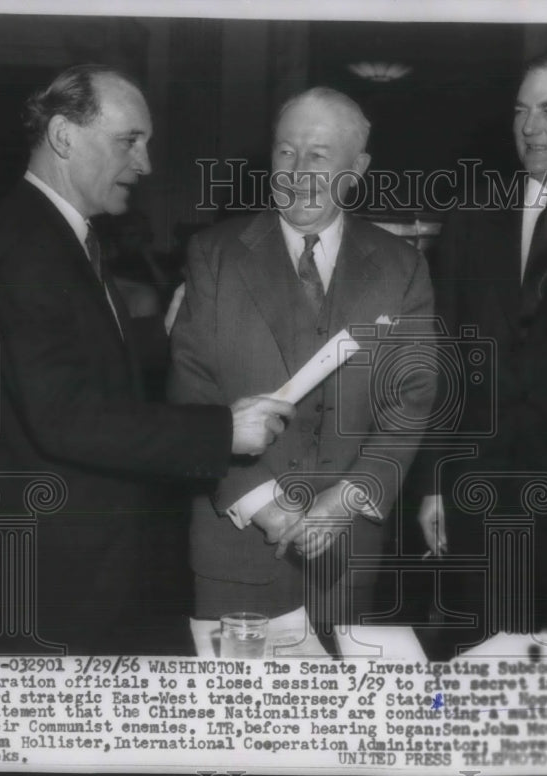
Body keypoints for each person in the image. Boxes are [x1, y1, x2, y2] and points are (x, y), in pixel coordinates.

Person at [0, 64, 295, 655]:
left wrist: (156, 336)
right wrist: (224, 429)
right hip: (55, 580)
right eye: (128, 141)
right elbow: (68, 417)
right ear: (63, 136)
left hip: (75, 563)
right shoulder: (28, 249)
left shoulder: (51, 232)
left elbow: (62, 355)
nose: (146, 164)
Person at [167, 87, 436, 628]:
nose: (298, 172)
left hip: (345, 555)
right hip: (236, 544)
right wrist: (268, 506)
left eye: (319, 155)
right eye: (286, 152)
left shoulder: (400, 266)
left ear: (356, 168)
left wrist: (348, 497)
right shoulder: (214, 254)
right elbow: (192, 391)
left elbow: (411, 398)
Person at [416, 48, 547, 635]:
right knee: (473, 670)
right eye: (522, 110)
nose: (530, 128)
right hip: (476, 500)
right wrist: (433, 483)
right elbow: (441, 356)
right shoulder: (473, 217)